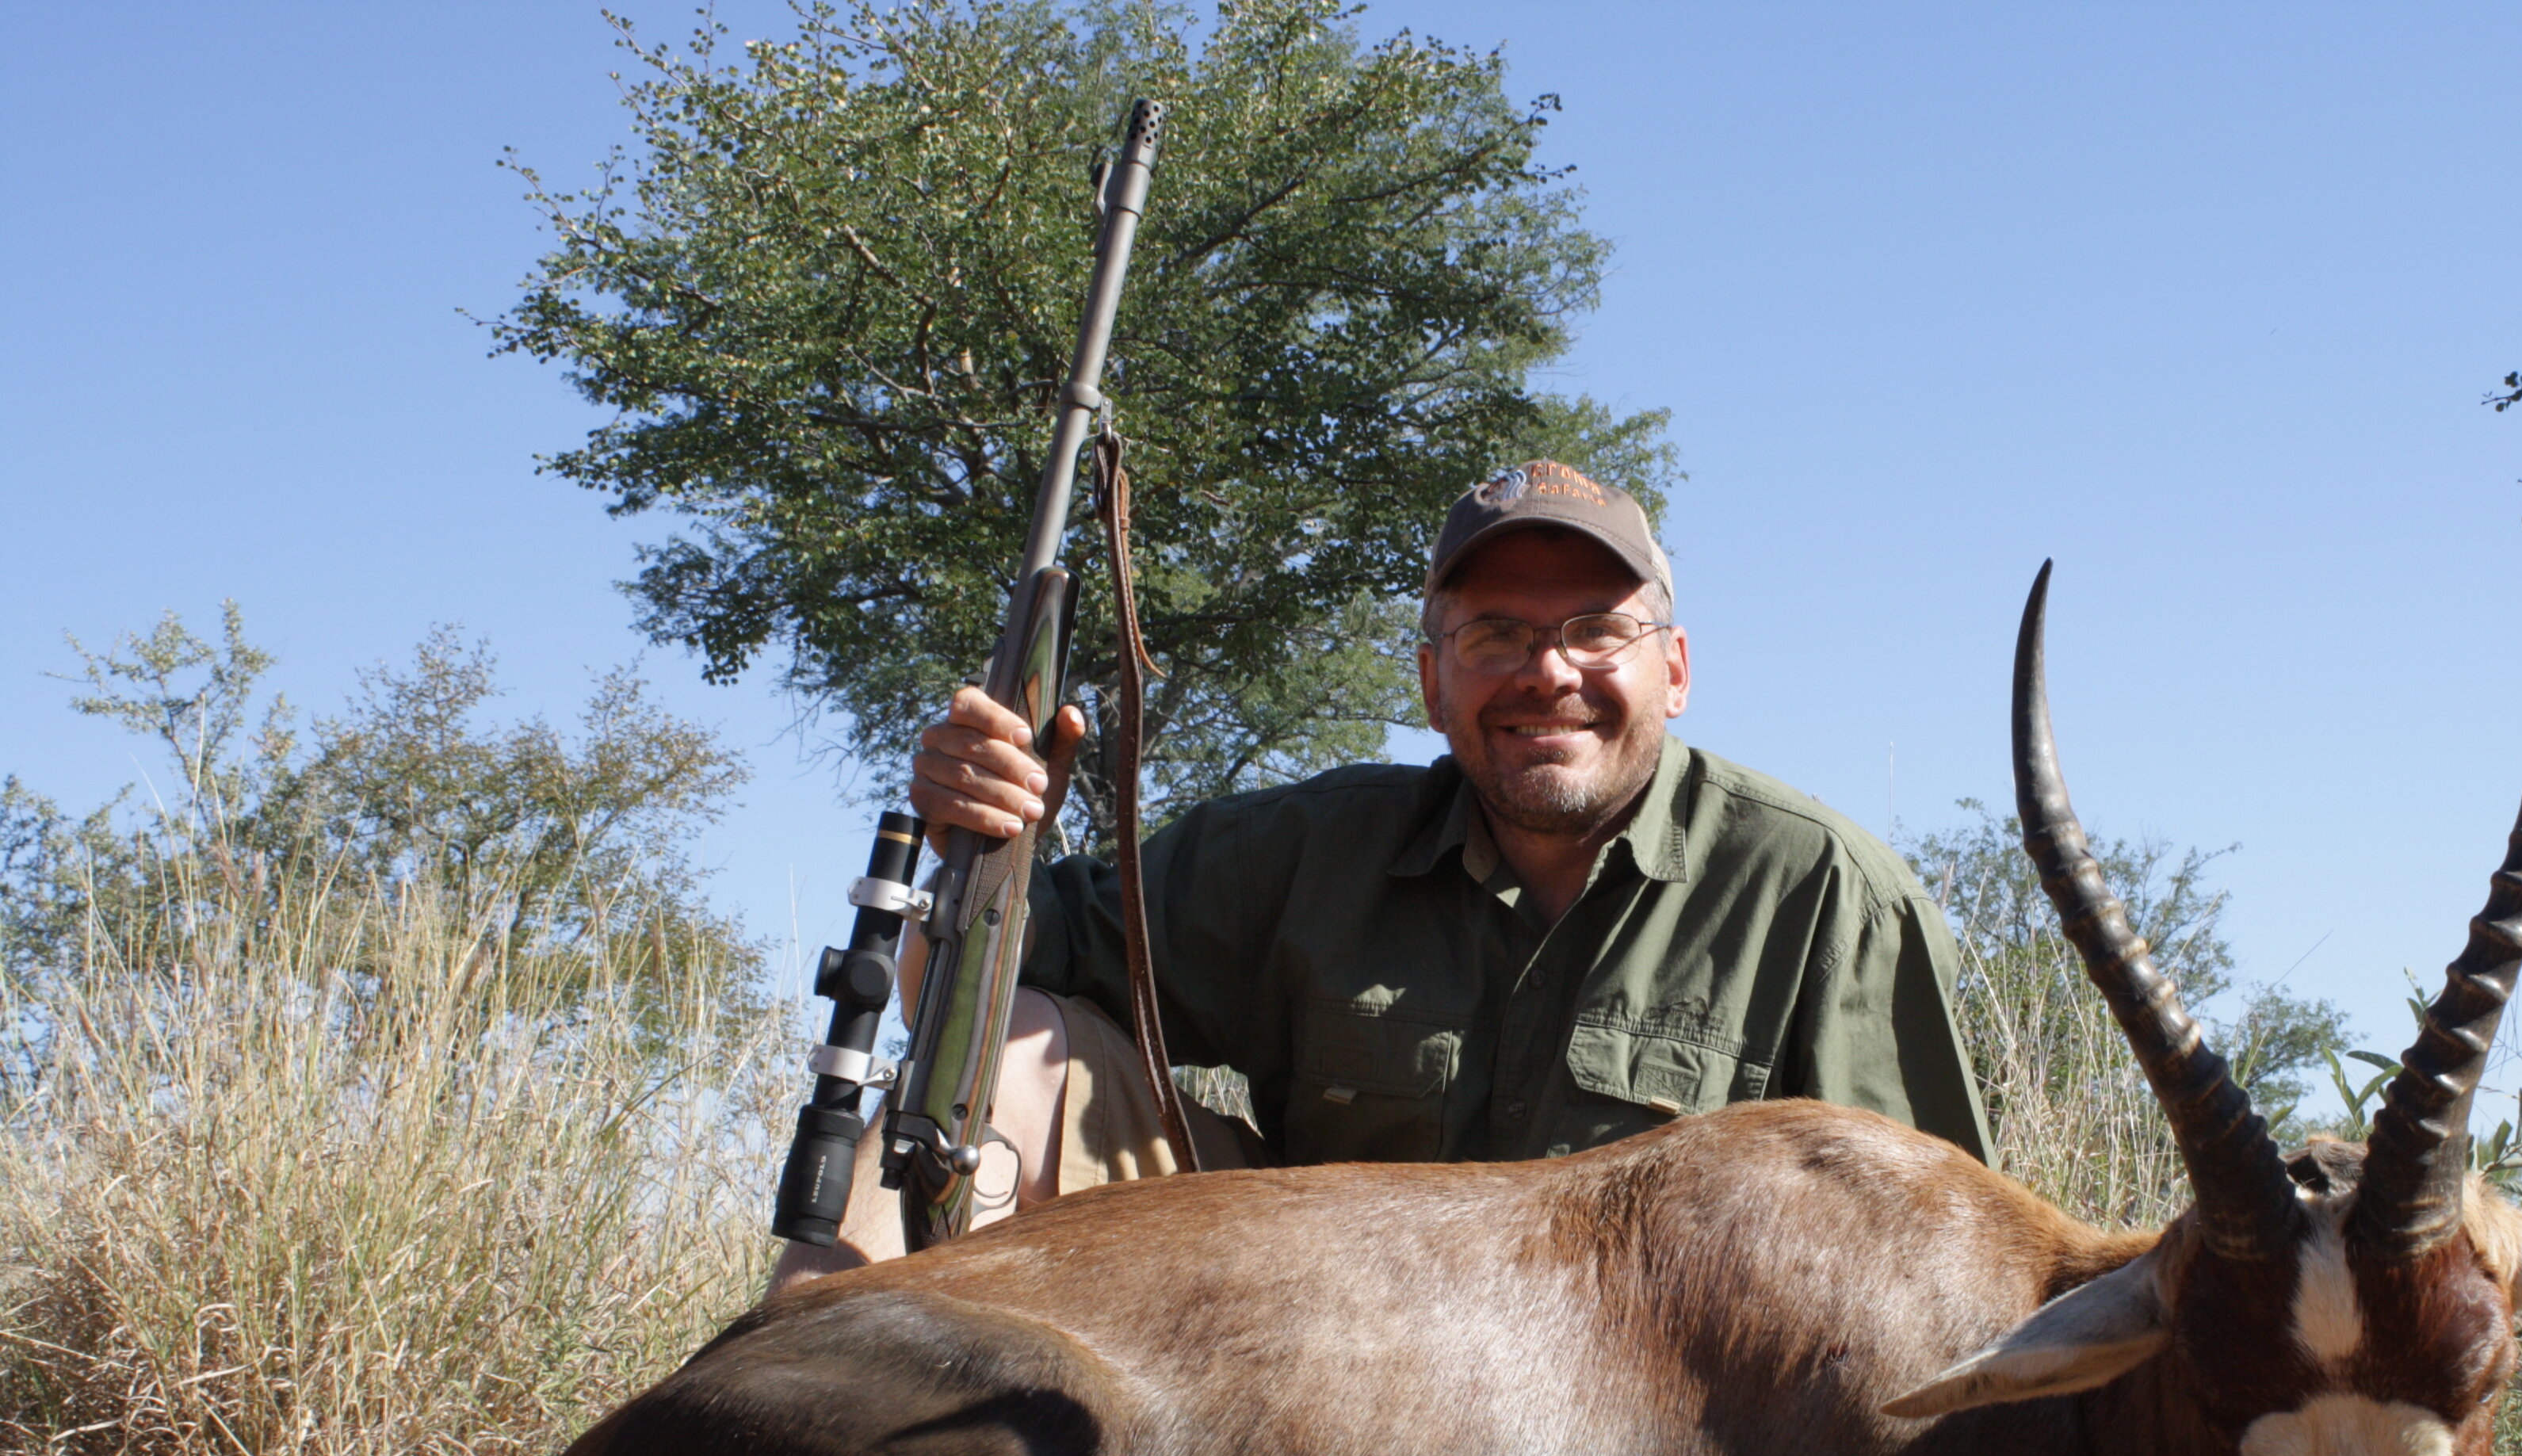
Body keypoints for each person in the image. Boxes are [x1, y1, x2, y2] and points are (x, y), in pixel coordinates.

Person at [774, 460, 1990, 1284]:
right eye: (1495, 636)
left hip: (1647, 1430)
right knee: (1012, 1043)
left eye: (1593, 631)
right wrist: (982, 838)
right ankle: (777, 1446)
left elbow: (1940, 1254)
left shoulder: (1827, 891)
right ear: (1431, 682)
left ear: (1674, 669)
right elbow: (957, 986)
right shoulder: (1310, 848)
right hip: (1312, 1355)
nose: (1546, 673)